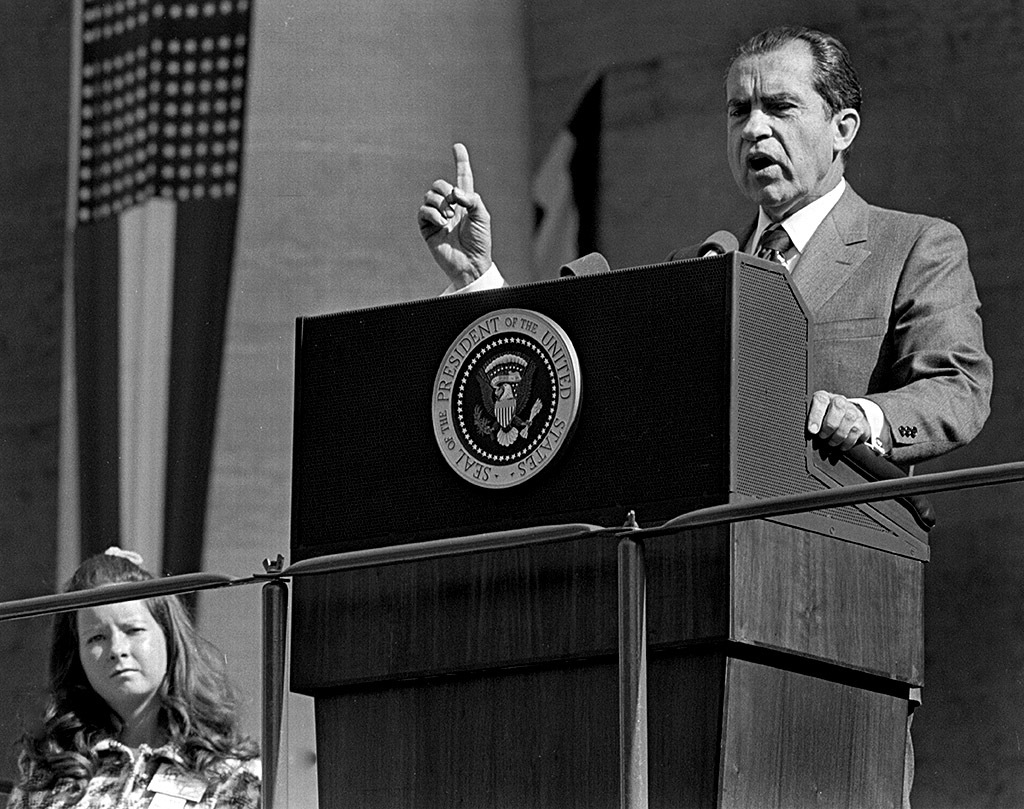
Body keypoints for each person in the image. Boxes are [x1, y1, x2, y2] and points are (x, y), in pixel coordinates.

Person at [417, 25, 992, 470]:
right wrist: (478, 278)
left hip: (836, 550)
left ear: (842, 128)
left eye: (780, 107)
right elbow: (583, 378)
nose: (754, 129)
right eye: (739, 111)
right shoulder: (701, 266)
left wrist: (866, 417)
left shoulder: (914, 246)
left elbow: (958, 389)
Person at [6, 548, 260, 809]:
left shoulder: (231, 771)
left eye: (133, 630)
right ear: (76, 655)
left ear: (169, 637)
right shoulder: (49, 768)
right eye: (97, 637)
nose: (117, 649)